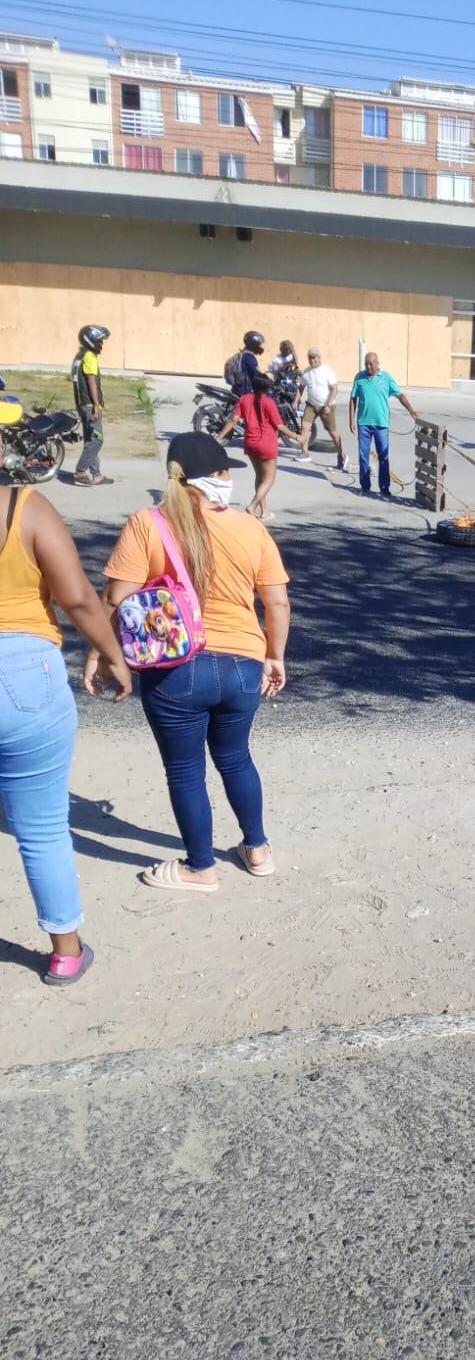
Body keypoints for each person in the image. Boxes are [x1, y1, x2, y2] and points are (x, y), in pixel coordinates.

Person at [86, 431, 290, 893]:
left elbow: (115, 598)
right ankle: (256, 849)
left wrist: (99, 653)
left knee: (184, 771)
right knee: (236, 757)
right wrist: (274, 655)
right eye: (224, 471)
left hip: (175, 669)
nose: (228, 479)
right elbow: (276, 603)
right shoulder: (250, 527)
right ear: (214, 476)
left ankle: (201, 867)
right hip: (242, 664)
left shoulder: (148, 522)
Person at [1, 480, 132, 984]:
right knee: (41, 829)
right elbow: (76, 598)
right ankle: (65, 952)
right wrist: (114, 655)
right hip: (23, 670)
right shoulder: (23, 507)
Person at [217, 372, 305, 521]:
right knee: (269, 479)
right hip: (267, 444)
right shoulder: (269, 402)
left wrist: (220, 436)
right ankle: (252, 506)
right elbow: (280, 426)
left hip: (250, 443)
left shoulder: (244, 399)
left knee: (260, 477)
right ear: (266, 388)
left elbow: (233, 419)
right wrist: (297, 437)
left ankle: (265, 512)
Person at [348, 351, 421, 498]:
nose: (368, 367)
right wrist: (351, 419)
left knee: (383, 456)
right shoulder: (359, 378)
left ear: (377, 363)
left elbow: (399, 394)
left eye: (371, 364)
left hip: (381, 424)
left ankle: (384, 487)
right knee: (363, 456)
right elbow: (353, 399)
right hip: (363, 423)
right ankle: (365, 486)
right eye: (366, 364)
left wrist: (410, 409)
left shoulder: (386, 378)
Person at [71, 324, 114, 487]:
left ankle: (97, 475)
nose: (102, 344)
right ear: (92, 340)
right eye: (100, 341)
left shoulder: (80, 355)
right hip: (89, 403)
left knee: (91, 439)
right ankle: (80, 471)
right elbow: (90, 380)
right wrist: (96, 404)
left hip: (81, 403)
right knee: (97, 439)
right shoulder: (89, 356)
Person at [298, 347, 347, 470]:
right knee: (304, 426)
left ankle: (342, 455)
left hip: (326, 406)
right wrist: (295, 400)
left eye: (314, 357)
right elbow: (301, 387)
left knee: (332, 432)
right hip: (311, 405)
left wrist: (328, 405)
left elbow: (334, 389)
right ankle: (304, 453)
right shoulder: (306, 372)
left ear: (319, 358)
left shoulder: (327, 371)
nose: (312, 360)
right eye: (310, 357)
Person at [227, 331, 266, 398]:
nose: (260, 347)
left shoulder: (240, 354)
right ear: (254, 344)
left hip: (236, 389)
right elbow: (256, 374)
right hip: (245, 392)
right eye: (259, 344)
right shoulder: (249, 357)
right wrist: (267, 381)